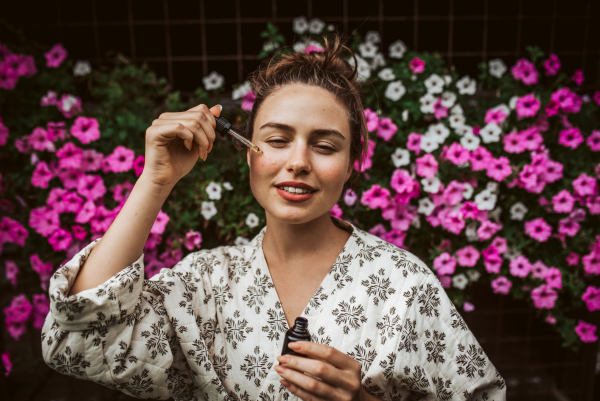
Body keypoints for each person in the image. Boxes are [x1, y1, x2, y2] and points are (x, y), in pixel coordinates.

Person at [42, 36, 506, 401]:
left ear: (351, 164)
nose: (299, 162)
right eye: (278, 140)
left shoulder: (406, 287)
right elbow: (79, 339)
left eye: (325, 146)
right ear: (248, 154)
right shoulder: (204, 281)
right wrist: (155, 180)